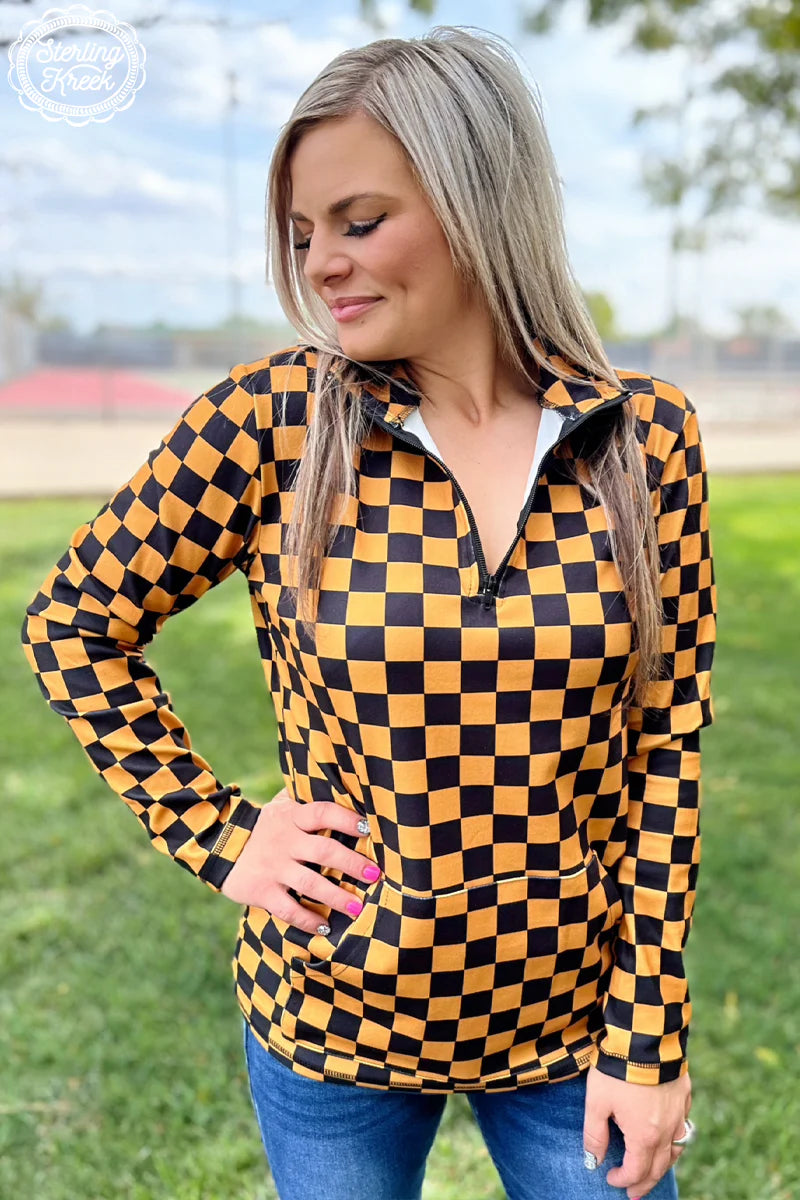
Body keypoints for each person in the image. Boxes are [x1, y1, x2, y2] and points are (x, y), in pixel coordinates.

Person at [20, 24, 716, 1200]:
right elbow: (73, 622)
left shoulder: (641, 439)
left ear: (477, 203)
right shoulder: (270, 423)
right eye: (304, 234)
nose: (321, 266)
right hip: (333, 1020)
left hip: (573, 1031)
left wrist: (646, 1032)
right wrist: (221, 834)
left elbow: (666, 742)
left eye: (359, 221)